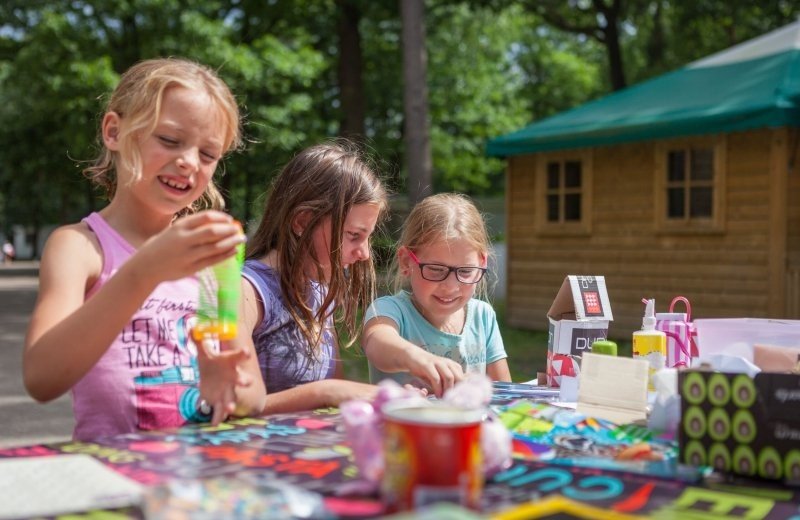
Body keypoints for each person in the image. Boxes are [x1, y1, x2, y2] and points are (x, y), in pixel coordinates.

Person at [23, 57, 245, 441]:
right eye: (169, 140)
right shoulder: (79, 247)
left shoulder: (210, 259)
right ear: (113, 131)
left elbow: (250, 394)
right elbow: (41, 378)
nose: (189, 162)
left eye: (208, 155)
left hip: (199, 476)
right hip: (115, 478)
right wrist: (145, 271)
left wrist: (227, 383)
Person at [198, 141, 388, 424]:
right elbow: (233, 404)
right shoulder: (247, 291)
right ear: (301, 222)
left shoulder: (322, 292)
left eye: (367, 237)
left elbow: (334, 409)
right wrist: (326, 392)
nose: (364, 253)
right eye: (353, 235)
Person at [362, 193, 511, 397]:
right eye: (435, 270)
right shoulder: (389, 310)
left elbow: (505, 394)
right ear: (407, 262)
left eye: (466, 271)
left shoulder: (483, 316)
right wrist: (418, 359)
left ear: (482, 264)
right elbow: (377, 342)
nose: (450, 287)